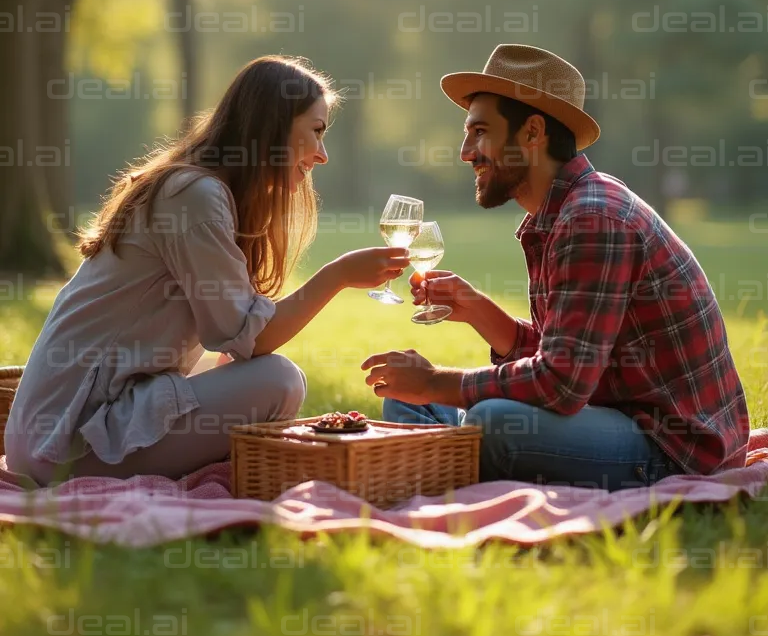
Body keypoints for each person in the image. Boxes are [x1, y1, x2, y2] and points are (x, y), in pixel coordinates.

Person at [7, 56, 409, 485]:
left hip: (54, 434)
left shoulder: (196, 189)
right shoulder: (195, 197)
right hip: (66, 444)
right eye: (316, 131)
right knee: (279, 380)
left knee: (235, 370)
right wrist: (339, 274)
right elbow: (252, 340)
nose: (323, 155)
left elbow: (230, 344)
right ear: (272, 125)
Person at [363, 44, 750, 490]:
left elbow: (561, 385)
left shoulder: (592, 217)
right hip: (608, 414)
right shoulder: (565, 210)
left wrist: (434, 382)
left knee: (492, 420)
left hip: (668, 447)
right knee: (405, 402)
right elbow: (569, 359)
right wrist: (480, 313)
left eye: (480, 132)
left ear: (533, 132)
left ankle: (433, 461)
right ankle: (443, 457)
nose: (466, 152)